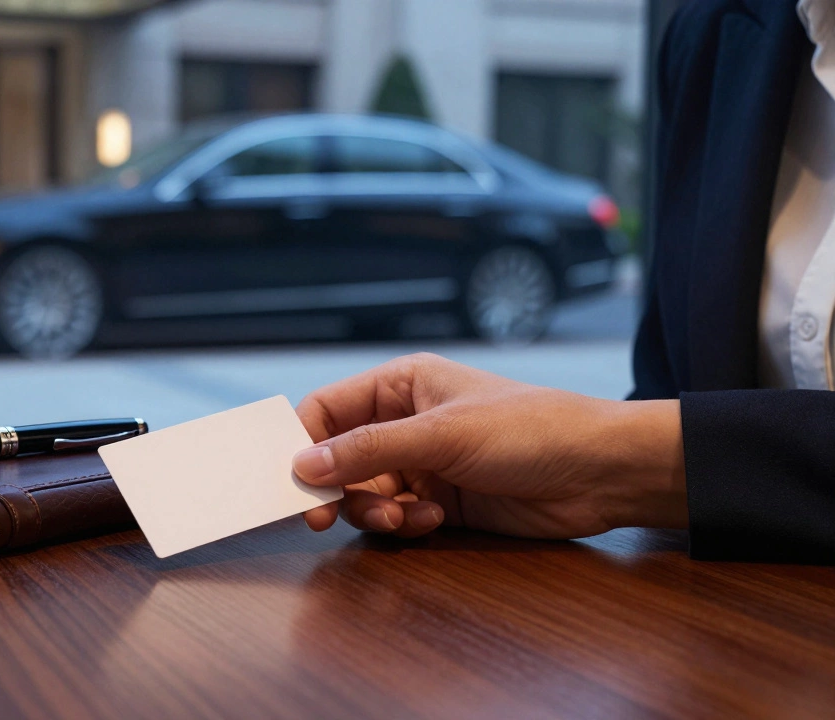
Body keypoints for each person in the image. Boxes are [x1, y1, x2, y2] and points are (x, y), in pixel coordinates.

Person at [292, 0, 835, 563]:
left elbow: (647, 432)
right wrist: (575, 463)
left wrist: (605, 455)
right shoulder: (716, 32)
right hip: (724, 623)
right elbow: (670, 385)